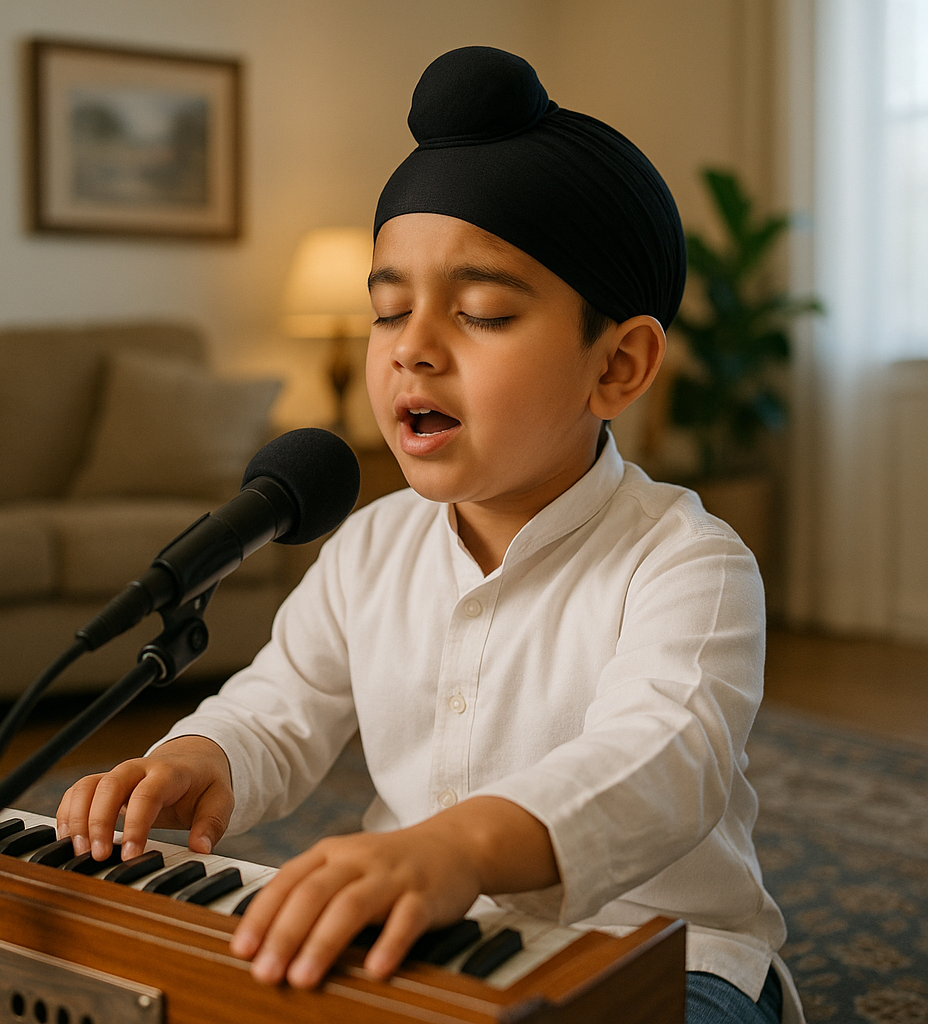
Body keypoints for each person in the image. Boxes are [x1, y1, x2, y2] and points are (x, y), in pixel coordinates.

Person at [57, 46, 803, 1024]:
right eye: (387, 310)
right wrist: (200, 759)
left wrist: (457, 847)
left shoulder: (685, 561)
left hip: (665, 954)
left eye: (483, 310)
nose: (412, 345)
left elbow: (662, 755)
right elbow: (281, 707)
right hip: (424, 947)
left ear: (617, 365)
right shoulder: (369, 548)